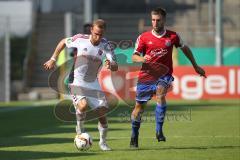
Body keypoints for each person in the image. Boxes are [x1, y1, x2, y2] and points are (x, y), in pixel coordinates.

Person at [130, 7, 206, 148]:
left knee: (160, 93)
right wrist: (142, 59)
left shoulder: (173, 36)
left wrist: (195, 66)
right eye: (153, 20)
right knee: (139, 107)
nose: (155, 23)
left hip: (164, 75)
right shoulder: (144, 37)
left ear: (164, 20)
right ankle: (134, 135)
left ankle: (159, 130)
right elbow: (134, 56)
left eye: (158, 20)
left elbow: (185, 48)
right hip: (146, 77)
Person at [43, 19, 118, 151]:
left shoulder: (107, 45)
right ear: (91, 30)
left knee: (102, 113)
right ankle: (80, 129)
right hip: (76, 80)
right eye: (96, 34)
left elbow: (115, 66)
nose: (98, 37)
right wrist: (53, 58)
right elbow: (63, 42)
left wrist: (111, 65)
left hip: (93, 82)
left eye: (100, 34)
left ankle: (103, 142)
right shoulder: (80, 39)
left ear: (104, 32)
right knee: (82, 106)